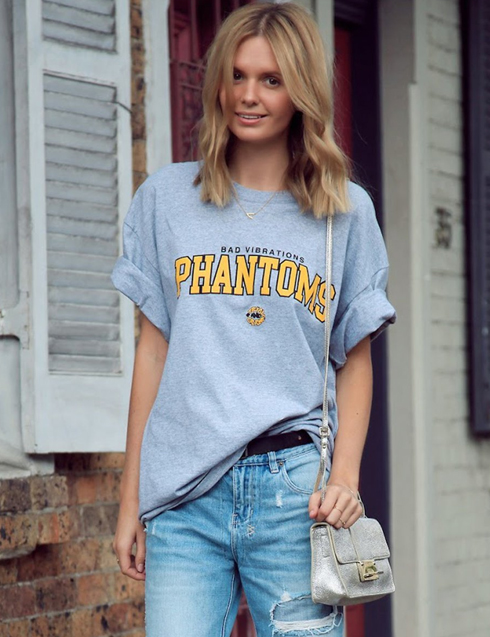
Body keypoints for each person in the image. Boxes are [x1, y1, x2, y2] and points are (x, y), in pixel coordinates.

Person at [111, 3, 396, 636]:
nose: (249, 95)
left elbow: (354, 362)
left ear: (301, 91)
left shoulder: (345, 212)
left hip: (295, 495)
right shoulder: (167, 200)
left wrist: (346, 477)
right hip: (184, 495)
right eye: (237, 76)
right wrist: (132, 498)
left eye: (271, 80)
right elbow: (152, 354)